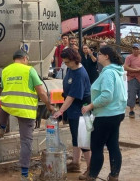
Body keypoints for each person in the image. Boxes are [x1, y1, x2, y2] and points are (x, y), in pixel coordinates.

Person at [0, 50, 55, 181]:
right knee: (26, 142)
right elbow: (41, 92)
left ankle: (2, 127)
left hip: (9, 105)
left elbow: (4, 88)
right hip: (25, 111)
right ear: (24, 58)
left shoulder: (5, 70)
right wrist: (49, 105)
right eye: (27, 60)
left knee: (4, 107)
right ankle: (24, 173)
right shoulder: (30, 70)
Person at [81, 46, 127, 181]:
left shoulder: (108, 73)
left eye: (99, 54)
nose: (97, 56)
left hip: (105, 115)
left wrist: (90, 105)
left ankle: (92, 175)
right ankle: (114, 175)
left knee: (97, 146)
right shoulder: (117, 71)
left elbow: (107, 96)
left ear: (106, 56)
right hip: (116, 113)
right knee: (113, 145)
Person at [52, 48, 92, 180]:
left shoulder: (80, 74)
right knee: (76, 138)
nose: (66, 64)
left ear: (75, 60)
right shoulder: (71, 69)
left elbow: (72, 97)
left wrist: (60, 110)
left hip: (81, 110)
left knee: (83, 140)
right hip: (73, 110)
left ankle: (90, 168)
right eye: (64, 62)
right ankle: (76, 163)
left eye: (68, 62)